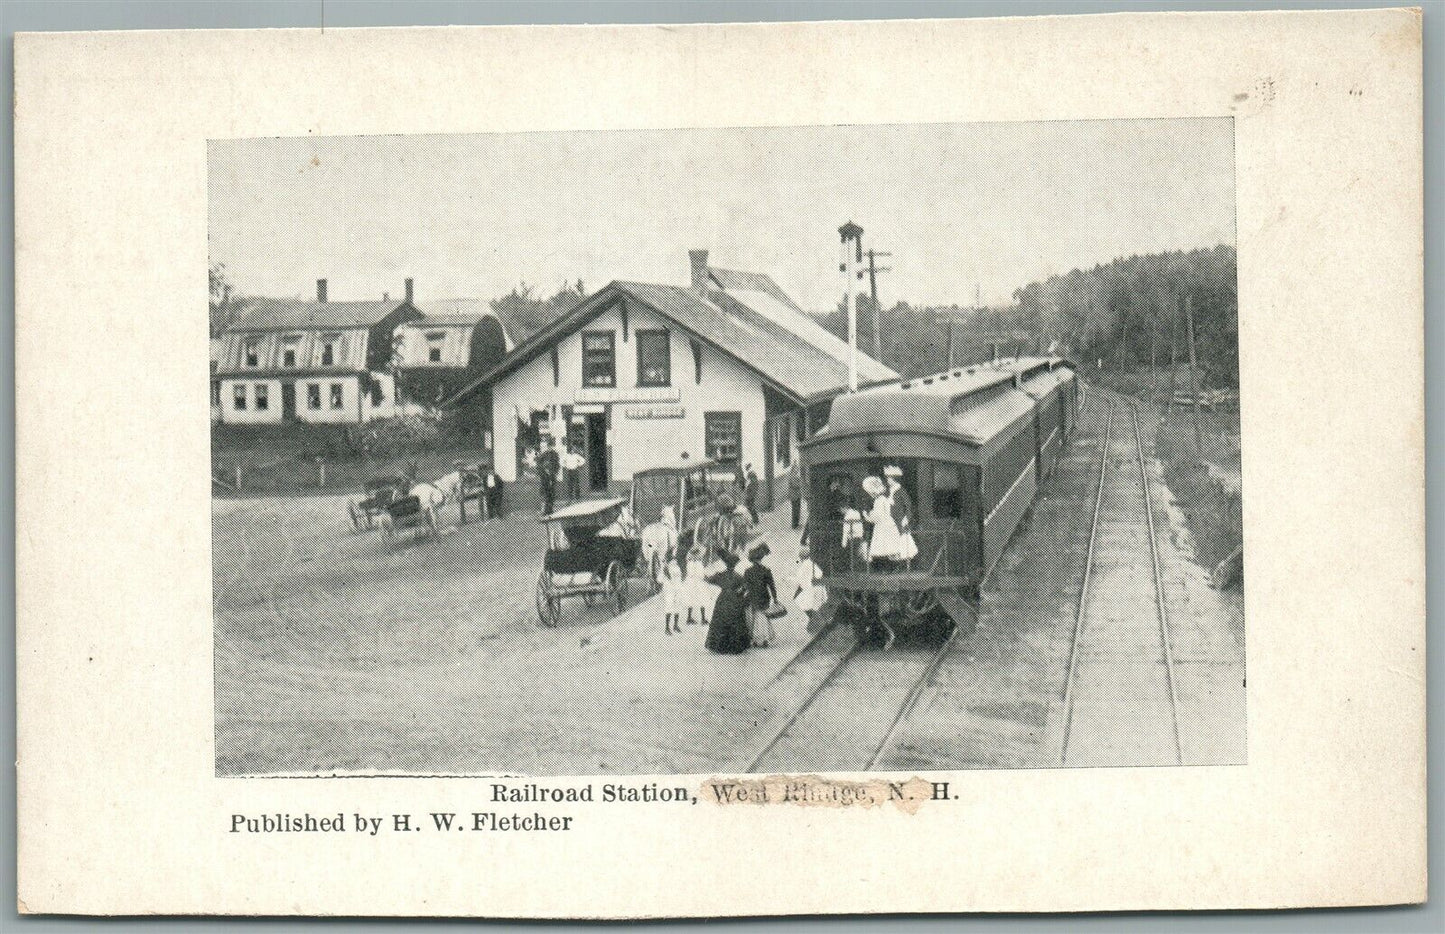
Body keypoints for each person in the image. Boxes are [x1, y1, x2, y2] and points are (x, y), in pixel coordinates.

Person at [704, 551, 751, 655]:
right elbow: (745, 587)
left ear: (726, 564)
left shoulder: (721, 575)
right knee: (735, 620)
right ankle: (734, 646)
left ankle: (721, 646)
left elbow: (708, 579)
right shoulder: (738, 576)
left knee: (721, 619)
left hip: (723, 599)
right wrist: (740, 591)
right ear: (735, 565)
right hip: (735, 599)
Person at [743, 543, 778, 648]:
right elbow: (772, 585)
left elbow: (745, 586)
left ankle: (755, 639)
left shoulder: (748, 571)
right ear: (761, 559)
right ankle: (763, 639)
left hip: (752, 596)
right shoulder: (766, 570)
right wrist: (775, 597)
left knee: (753, 617)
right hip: (763, 596)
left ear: (751, 560)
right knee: (762, 616)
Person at [863, 475, 902, 569]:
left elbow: (878, 516)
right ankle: (892, 567)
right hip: (887, 524)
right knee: (888, 547)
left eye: (871, 493)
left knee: (884, 547)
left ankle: (887, 567)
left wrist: (866, 516)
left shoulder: (879, 501)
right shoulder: (884, 499)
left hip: (883, 526)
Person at [884, 465, 916, 566]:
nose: (888, 481)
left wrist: (906, 518)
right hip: (891, 520)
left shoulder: (901, 491)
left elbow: (908, 505)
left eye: (889, 478)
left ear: (894, 479)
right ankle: (895, 565)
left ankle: (906, 566)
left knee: (904, 543)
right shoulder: (889, 491)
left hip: (900, 520)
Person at [792, 545, 828, 633]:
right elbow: (819, 574)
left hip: (811, 589)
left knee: (803, 603)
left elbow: (798, 579)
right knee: (812, 606)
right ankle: (817, 622)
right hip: (818, 587)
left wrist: (788, 579)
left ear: (801, 557)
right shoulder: (812, 563)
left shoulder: (805, 564)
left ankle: (818, 622)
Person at [684, 543, 711, 626]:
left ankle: (689, 618)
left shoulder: (689, 563)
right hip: (698, 583)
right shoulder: (698, 564)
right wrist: (707, 577)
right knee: (702, 599)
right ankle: (703, 619)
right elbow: (701, 574)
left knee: (691, 599)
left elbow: (689, 573)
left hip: (690, 582)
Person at [661, 551, 685, 635]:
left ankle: (674, 626)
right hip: (670, 590)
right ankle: (667, 628)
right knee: (670, 607)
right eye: (673, 558)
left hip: (676, 589)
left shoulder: (676, 567)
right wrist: (664, 571)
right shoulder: (667, 568)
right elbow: (660, 579)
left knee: (675, 607)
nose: (674, 560)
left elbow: (679, 578)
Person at [536, 441, 560, 516]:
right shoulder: (544, 454)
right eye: (549, 446)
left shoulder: (555, 454)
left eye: (551, 446)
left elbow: (557, 464)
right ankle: (546, 510)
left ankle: (550, 509)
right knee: (546, 493)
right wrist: (543, 472)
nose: (550, 448)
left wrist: (554, 472)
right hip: (545, 478)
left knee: (552, 493)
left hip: (552, 477)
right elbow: (539, 464)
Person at [786, 463, 803, 531]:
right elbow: (795, 485)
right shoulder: (792, 476)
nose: (797, 469)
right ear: (793, 469)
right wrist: (801, 483)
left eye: (797, 468)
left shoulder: (795, 475)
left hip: (797, 495)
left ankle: (797, 523)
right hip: (794, 495)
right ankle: (794, 525)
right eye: (796, 468)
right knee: (795, 510)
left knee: (797, 509)